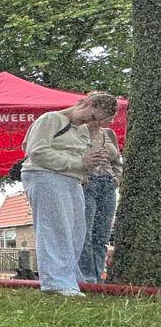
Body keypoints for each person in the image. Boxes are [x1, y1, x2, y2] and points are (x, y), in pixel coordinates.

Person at [21, 92, 117, 296]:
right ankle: (55, 282)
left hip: (72, 179)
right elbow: (35, 150)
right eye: (92, 117)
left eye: (98, 121)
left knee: (76, 231)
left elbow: (80, 157)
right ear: (87, 103)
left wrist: (88, 163)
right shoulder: (51, 119)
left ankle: (69, 277)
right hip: (44, 175)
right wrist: (78, 163)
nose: (91, 123)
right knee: (55, 228)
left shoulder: (80, 130)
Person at [78, 118, 122, 283]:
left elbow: (117, 160)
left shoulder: (109, 133)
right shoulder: (78, 132)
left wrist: (117, 178)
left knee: (102, 234)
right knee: (86, 232)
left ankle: (97, 276)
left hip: (107, 184)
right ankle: (87, 277)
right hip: (87, 183)